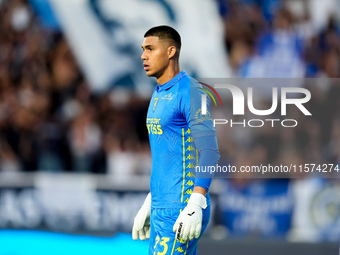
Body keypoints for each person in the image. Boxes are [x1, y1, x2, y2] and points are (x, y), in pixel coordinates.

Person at [132, 25, 220, 255]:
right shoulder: (158, 93)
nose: (143, 55)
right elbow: (166, 153)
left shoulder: (192, 91)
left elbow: (210, 151)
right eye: (143, 49)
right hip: (163, 205)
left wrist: (196, 203)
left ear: (171, 51)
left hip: (183, 205)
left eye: (150, 49)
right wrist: (152, 199)